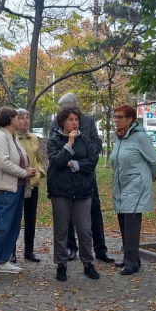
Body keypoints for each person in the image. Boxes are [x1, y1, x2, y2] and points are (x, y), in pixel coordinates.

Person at [49, 93, 115, 263]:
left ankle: (100, 249)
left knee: (93, 213)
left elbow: (96, 145)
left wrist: (78, 161)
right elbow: (55, 154)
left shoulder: (88, 121)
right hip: (64, 181)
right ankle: (70, 248)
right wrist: (70, 153)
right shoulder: (55, 124)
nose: (73, 121)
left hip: (86, 177)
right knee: (66, 217)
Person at [0, 107, 38, 281]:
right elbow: (3, 163)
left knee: (13, 226)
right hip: (4, 189)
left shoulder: (13, 137)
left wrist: (29, 169)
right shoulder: (0, 137)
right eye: (16, 117)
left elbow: (21, 158)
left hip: (17, 188)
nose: (20, 120)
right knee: (2, 227)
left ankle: (3, 260)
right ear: (10, 119)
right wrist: (24, 172)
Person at [47, 105, 101, 282]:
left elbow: (92, 161)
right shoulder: (55, 140)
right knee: (61, 230)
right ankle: (61, 264)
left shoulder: (85, 140)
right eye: (71, 119)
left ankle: (88, 263)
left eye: (77, 119)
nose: (74, 123)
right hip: (61, 192)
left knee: (85, 229)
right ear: (63, 121)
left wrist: (73, 164)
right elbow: (57, 161)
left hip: (83, 191)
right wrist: (69, 144)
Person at [110, 105, 156, 276]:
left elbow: (155, 161)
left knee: (131, 224)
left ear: (130, 119)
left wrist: (149, 176)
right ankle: (130, 258)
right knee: (124, 222)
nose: (116, 119)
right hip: (121, 184)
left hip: (136, 185)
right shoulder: (120, 137)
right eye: (115, 116)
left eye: (120, 117)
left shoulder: (140, 137)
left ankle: (132, 263)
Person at [12, 108, 45, 263]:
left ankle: (29, 251)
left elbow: (38, 159)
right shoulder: (11, 138)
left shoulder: (33, 137)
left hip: (32, 184)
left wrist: (39, 173)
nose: (25, 121)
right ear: (15, 120)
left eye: (27, 118)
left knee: (30, 218)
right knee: (14, 218)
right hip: (17, 184)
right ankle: (11, 252)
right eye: (22, 118)